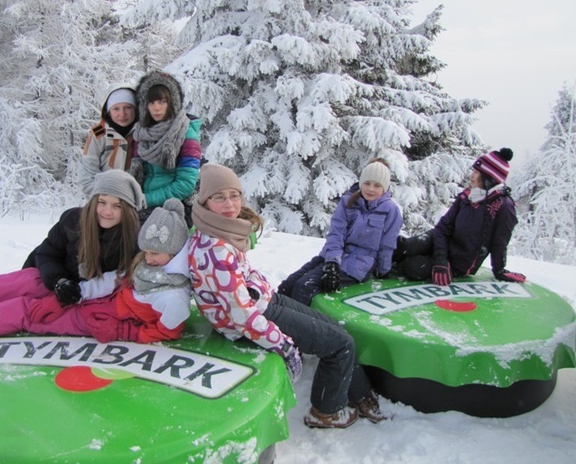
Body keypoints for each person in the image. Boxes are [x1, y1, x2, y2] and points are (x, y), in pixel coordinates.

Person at [188, 163, 387, 429]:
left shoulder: (219, 230)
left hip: (261, 303)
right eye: (219, 197)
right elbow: (243, 316)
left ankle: (356, 391)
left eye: (234, 195)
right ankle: (326, 412)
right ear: (205, 200)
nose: (229, 204)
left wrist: (258, 288)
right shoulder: (217, 251)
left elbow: (244, 278)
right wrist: (282, 345)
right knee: (341, 345)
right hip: (255, 317)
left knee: (333, 327)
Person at [0, 169, 145, 358]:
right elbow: (46, 253)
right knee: (30, 280)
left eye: (117, 206)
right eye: (102, 202)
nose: (107, 211)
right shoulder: (74, 221)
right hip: (65, 282)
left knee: (27, 309)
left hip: (90, 298)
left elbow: (117, 282)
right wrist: (59, 282)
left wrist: (72, 295)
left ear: (128, 210)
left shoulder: (133, 239)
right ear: (93, 201)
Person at [279, 159, 403, 306]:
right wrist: (332, 262)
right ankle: (272, 321)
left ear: (385, 187)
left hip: (359, 263)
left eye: (377, 185)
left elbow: (387, 244)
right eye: (367, 183)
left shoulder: (391, 211)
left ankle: (298, 326)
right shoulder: (348, 203)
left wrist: (383, 270)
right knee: (288, 285)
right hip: (332, 255)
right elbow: (336, 234)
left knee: (305, 287)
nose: (370, 189)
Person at [395, 148, 526, 285]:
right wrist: (440, 258)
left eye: (477, 172)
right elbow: (442, 228)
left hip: (458, 262)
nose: (472, 176)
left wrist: (500, 270)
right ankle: (376, 261)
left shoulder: (503, 206)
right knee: (405, 246)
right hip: (441, 244)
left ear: (489, 178)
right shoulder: (468, 195)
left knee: (412, 267)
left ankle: (400, 265)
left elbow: (499, 243)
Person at [130, 70, 202, 225]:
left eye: (162, 102)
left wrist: (146, 199)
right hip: (143, 207)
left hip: (175, 208)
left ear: (172, 103)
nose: (156, 108)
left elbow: (186, 184)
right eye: (151, 102)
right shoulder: (141, 134)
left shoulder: (186, 133)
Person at [78, 86, 138, 197]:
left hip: (134, 199)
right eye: (116, 108)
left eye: (128, 107)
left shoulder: (143, 133)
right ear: (108, 111)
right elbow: (87, 175)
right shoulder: (98, 134)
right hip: (102, 199)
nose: (122, 114)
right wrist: (104, 198)